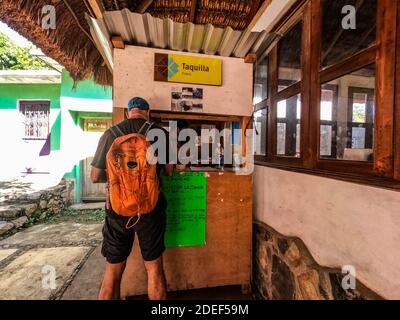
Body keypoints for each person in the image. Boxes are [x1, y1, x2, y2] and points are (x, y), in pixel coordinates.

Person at [91, 97, 173, 300]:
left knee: (112, 271)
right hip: (150, 208)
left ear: (127, 113)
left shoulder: (110, 134)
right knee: (154, 268)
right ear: (148, 112)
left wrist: (118, 181)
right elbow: (170, 170)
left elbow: (94, 176)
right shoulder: (160, 134)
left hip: (117, 210)